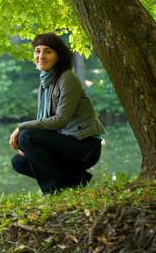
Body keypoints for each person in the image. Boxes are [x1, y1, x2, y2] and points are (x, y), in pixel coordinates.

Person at [9, 33, 105, 194]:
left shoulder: (67, 78)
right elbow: (45, 123)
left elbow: (60, 120)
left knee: (26, 135)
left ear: (59, 56)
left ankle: (54, 191)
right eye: (37, 51)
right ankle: (74, 179)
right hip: (66, 142)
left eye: (48, 51)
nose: (41, 56)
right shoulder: (46, 82)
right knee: (19, 162)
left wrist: (21, 127)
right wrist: (28, 145)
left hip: (85, 146)